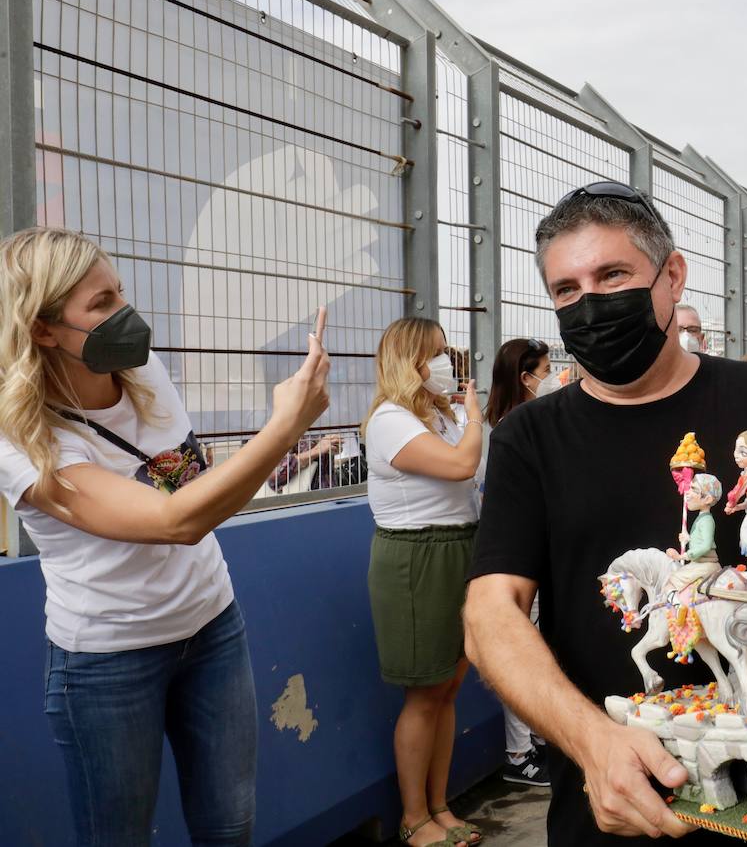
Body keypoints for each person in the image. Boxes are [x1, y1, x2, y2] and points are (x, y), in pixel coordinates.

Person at [463, 181, 747, 845]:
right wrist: (593, 743)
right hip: (613, 806)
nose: (590, 304)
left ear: (672, 277)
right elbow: (489, 616)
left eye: (612, 275)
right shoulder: (529, 439)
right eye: (566, 290)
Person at [0, 227, 331, 846]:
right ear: (42, 328)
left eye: (119, 293)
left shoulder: (142, 367)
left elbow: (195, 493)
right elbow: (174, 521)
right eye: (100, 306)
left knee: (229, 825)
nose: (125, 313)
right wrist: (284, 427)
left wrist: (284, 429)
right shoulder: (23, 440)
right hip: (108, 659)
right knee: (119, 836)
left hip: (212, 626)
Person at [363, 318, 485, 847]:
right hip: (418, 557)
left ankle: (440, 804)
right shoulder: (390, 420)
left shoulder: (438, 415)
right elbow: (462, 466)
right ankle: (414, 817)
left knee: (449, 685)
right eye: (434, 353)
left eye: (445, 351)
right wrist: (477, 416)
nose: (445, 363)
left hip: (458, 546)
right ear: (407, 361)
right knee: (423, 693)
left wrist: (465, 417)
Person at [483, 337, 553, 787]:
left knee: (542, 644)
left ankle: (541, 737)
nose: (554, 379)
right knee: (520, 647)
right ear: (526, 378)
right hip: (517, 555)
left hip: (541, 548)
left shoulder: (533, 421)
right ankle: (518, 751)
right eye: (546, 371)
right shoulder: (508, 430)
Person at [266, 433, 342, 493]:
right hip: (301, 502)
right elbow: (274, 479)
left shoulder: (323, 422)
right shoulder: (286, 427)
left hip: (330, 496)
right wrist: (315, 451)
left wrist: (335, 446)